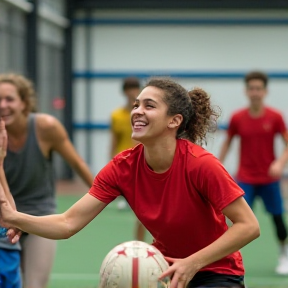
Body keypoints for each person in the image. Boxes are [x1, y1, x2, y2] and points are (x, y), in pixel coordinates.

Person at [0, 78, 260, 288]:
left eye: (149, 105)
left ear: (174, 120)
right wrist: (15, 218)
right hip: (165, 272)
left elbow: (249, 226)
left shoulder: (201, 164)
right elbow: (68, 222)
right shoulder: (121, 167)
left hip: (216, 273)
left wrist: (192, 263)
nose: (137, 111)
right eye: (136, 105)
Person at [0, 73, 94, 288]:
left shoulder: (46, 127)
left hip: (39, 217)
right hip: (3, 218)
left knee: (34, 285)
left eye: (9, 99)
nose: (3, 105)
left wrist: (100, 196)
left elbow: (77, 163)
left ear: (24, 103)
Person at [219, 71, 288, 275]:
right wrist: (218, 166)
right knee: (235, 222)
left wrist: (280, 163)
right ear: (246, 91)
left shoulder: (275, 117)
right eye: (251, 88)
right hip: (245, 180)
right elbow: (227, 144)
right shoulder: (237, 118)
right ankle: (228, 261)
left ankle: (284, 254)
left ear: (265, 91)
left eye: (259, 88)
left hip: (269, 179)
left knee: (277, 218)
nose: (255, 92)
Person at [110, 77, 146, 241]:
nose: (132, 92)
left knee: (144, 210)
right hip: (125, 165)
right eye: (129, 89)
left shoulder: (145, 114)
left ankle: (139, 244)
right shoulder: (116, 116)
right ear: (124, 92)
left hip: (144, 163)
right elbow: (114, 141)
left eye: (135, 88)